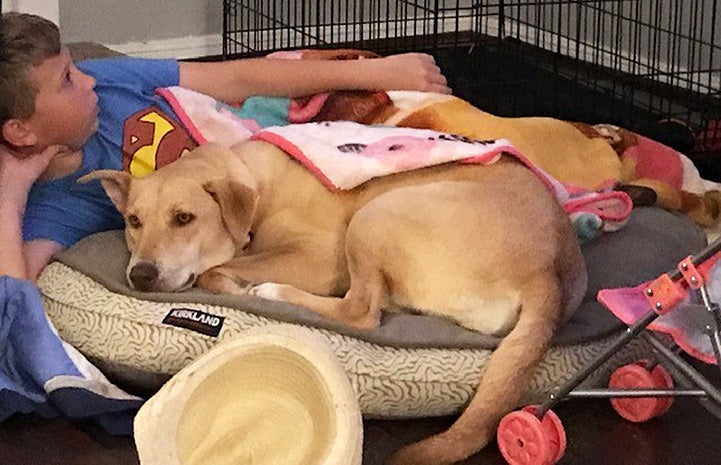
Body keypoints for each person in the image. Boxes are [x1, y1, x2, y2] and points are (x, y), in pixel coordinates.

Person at [0, 12, 451, 282]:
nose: (89, 78)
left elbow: (233, 79)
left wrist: (377, 74)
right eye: (67, 81)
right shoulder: (58, 205)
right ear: (20, 132)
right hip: (270, 183)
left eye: (74, 67)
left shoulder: (108, 79)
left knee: (383, 96)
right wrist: (11, 193)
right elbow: (14, 305)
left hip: (252, 122)